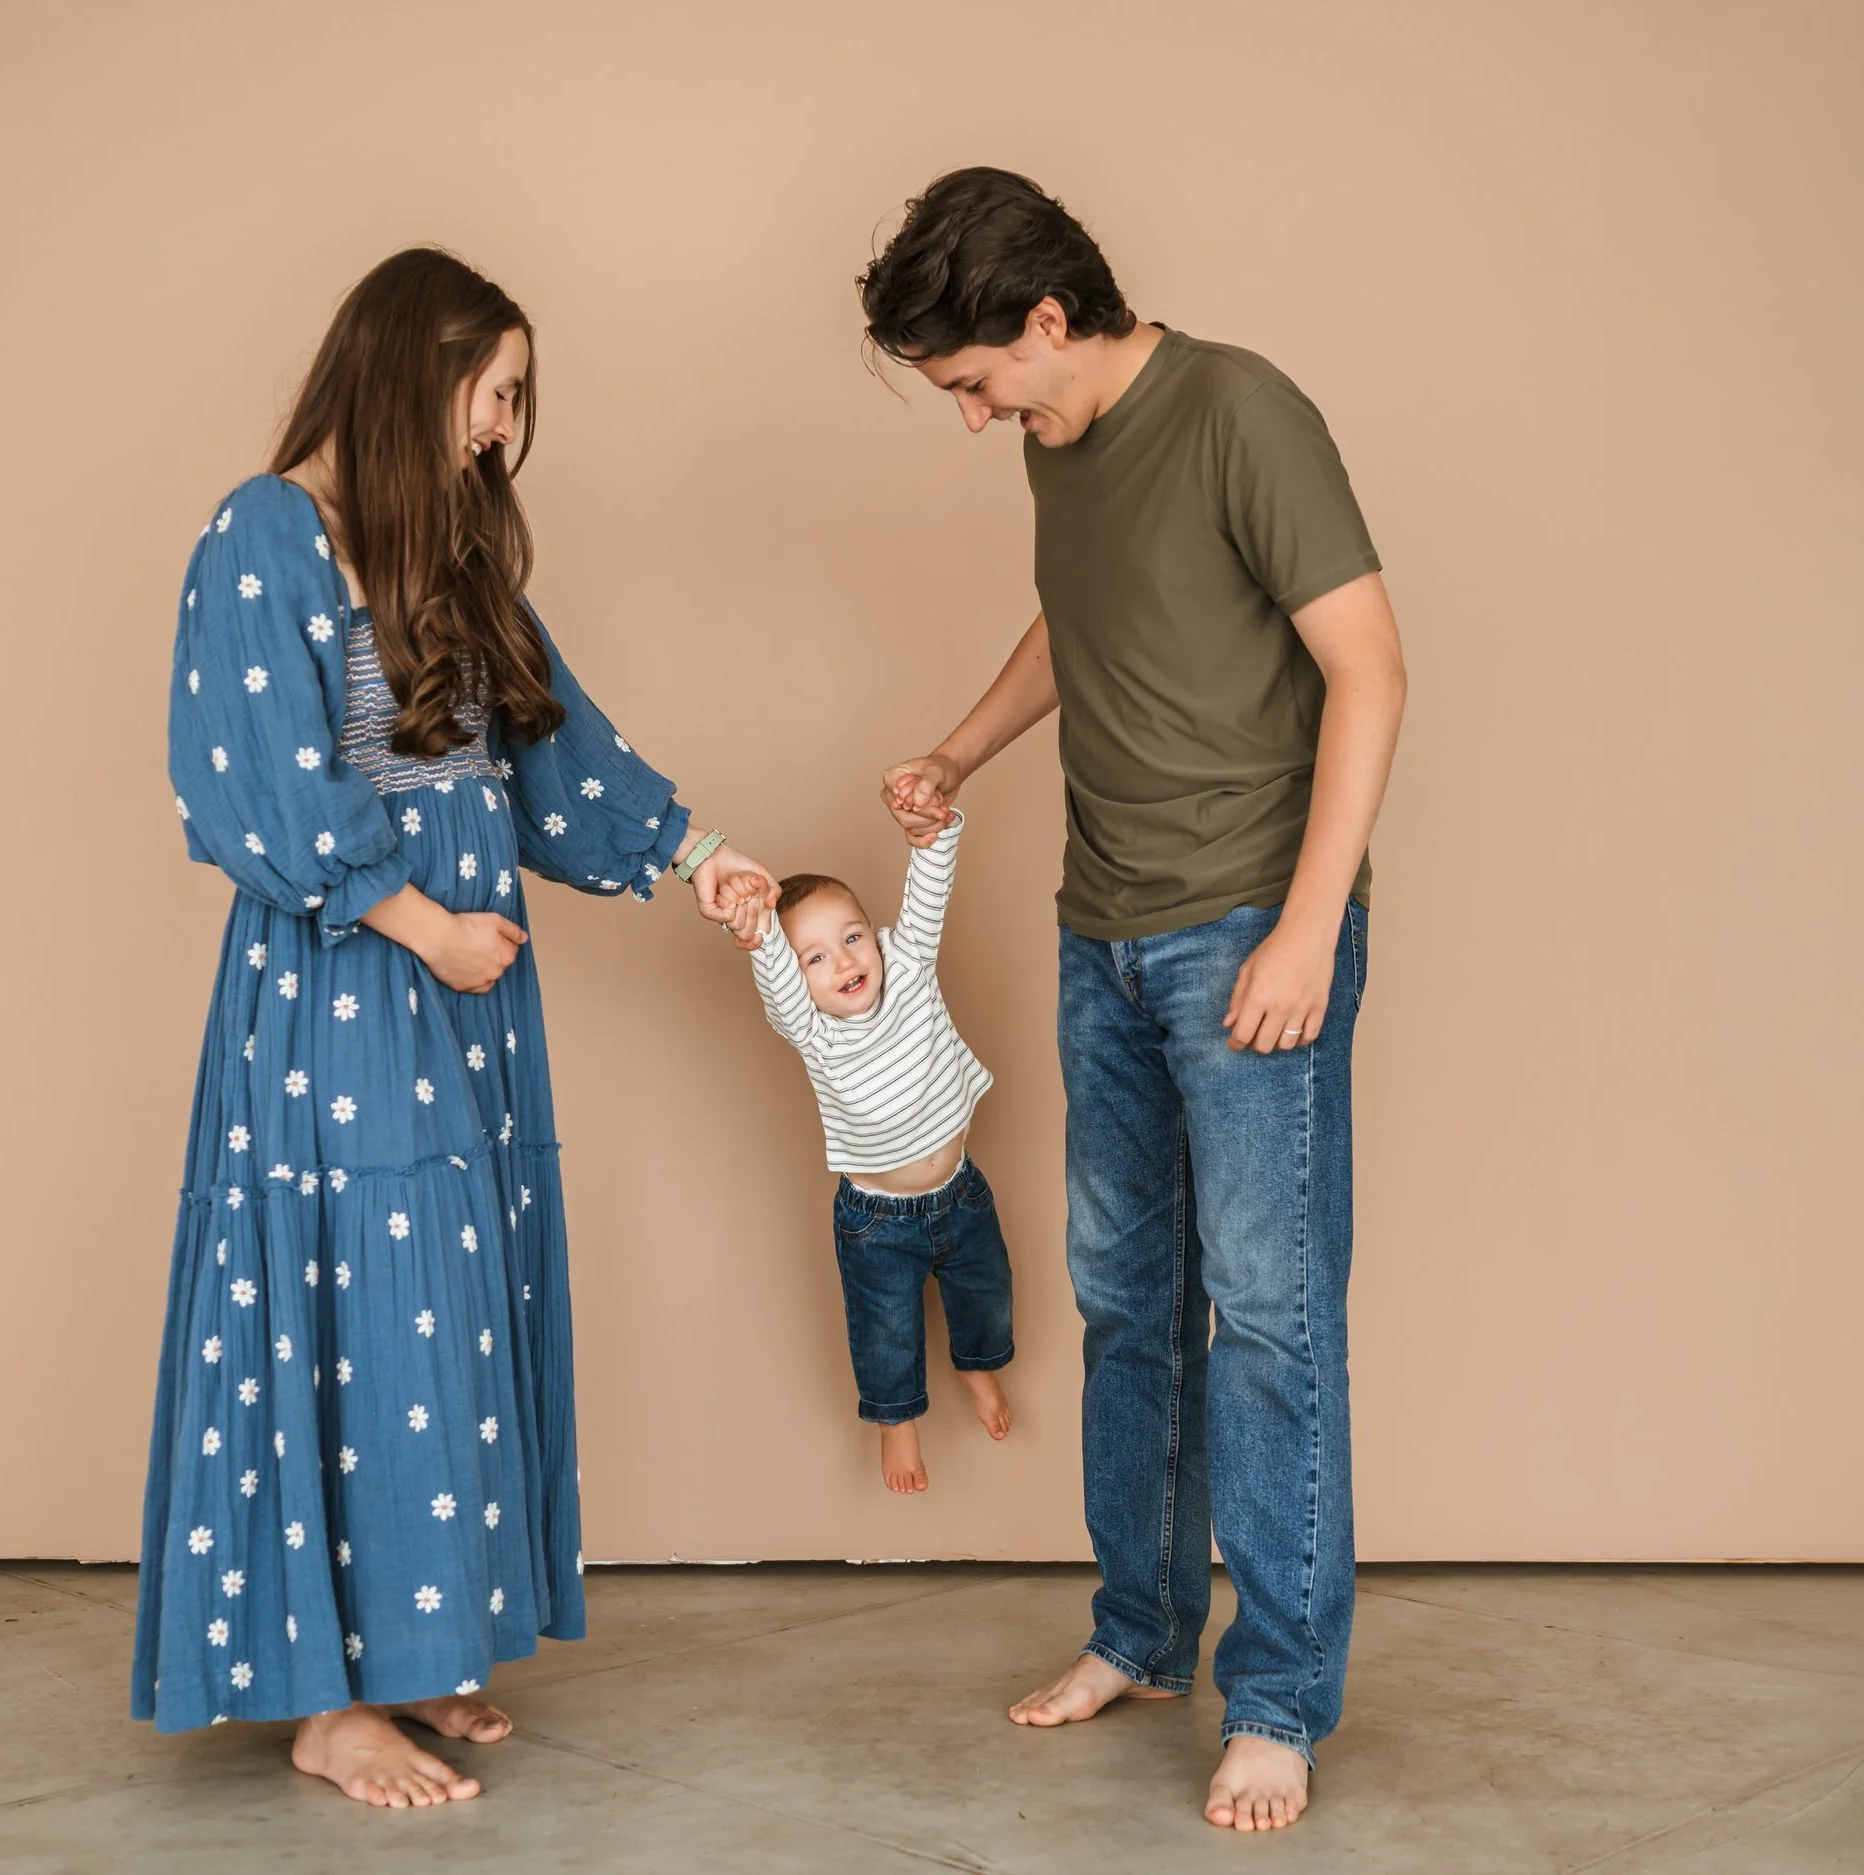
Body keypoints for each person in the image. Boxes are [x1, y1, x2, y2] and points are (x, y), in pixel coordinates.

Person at [133, 248, 771, 1808]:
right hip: (348, 996)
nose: (503, 431)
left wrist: (699, 858)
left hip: (467, 1008)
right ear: (414, 375)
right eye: (496, 395)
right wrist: (417, 921)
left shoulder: (448, 554)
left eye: (516, 404)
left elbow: (555, 746)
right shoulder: (265, 533)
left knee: (438, 1313)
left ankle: (415, 1646)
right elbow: (252, 779)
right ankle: (326, 1702)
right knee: (356, 1302)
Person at [860, 168, 1408, 1833]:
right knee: (1127, 1302)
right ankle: (1142, 1633)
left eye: (972, 383)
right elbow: (1080, 622)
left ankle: (1282, 1701)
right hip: (1101, 931)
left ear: (1047, 319)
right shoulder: (1058, 441)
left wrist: (1308, 930)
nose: (972, 421)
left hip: (1248, 928)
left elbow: (1372, 667)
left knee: (1269, 1318)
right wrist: (960, 746)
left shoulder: (1243, 412)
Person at [729, 811, 1013, 1494]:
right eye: (816, 957)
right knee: (886, 1331)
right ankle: (897, 1424)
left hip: (961, 1192)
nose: (846, 960)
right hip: (876, 1223)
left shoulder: (909, 968)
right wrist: (762, 930)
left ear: (878, 937)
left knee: (988, 1293)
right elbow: (777, 976)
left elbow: (928, 893)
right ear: (800, 983)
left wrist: (935, 832)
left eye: (853, 937)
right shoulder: (812, 1030)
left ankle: (977, 1366)